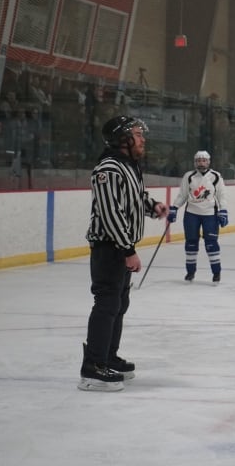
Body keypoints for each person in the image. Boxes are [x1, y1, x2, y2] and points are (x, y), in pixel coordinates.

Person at [81, 116, 169, 392]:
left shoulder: (128, 167)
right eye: (136, 134)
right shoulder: (108, 169)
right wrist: (128, 250)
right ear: (122, 139)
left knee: (119, 304)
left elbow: (134, 198)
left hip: (118, 247)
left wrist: (152, 206)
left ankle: (108, 357)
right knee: (107, 304)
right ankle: (93, 367)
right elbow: (110, 214)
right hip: (110, 248)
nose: (142, 139)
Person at [167, 151, 228, 283]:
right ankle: (190, 272)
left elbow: (221, 195)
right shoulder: (189, 176)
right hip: (191, 214)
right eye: (198, 160)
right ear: (195, 162)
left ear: (208, 161)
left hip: (210, 215)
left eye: (204, 160)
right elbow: (182, 195)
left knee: (211, 244)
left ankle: (216, 273)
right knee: (191, 243)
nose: (201, 163)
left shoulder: (216, 176)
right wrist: (174, 208)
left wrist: (223, 211)